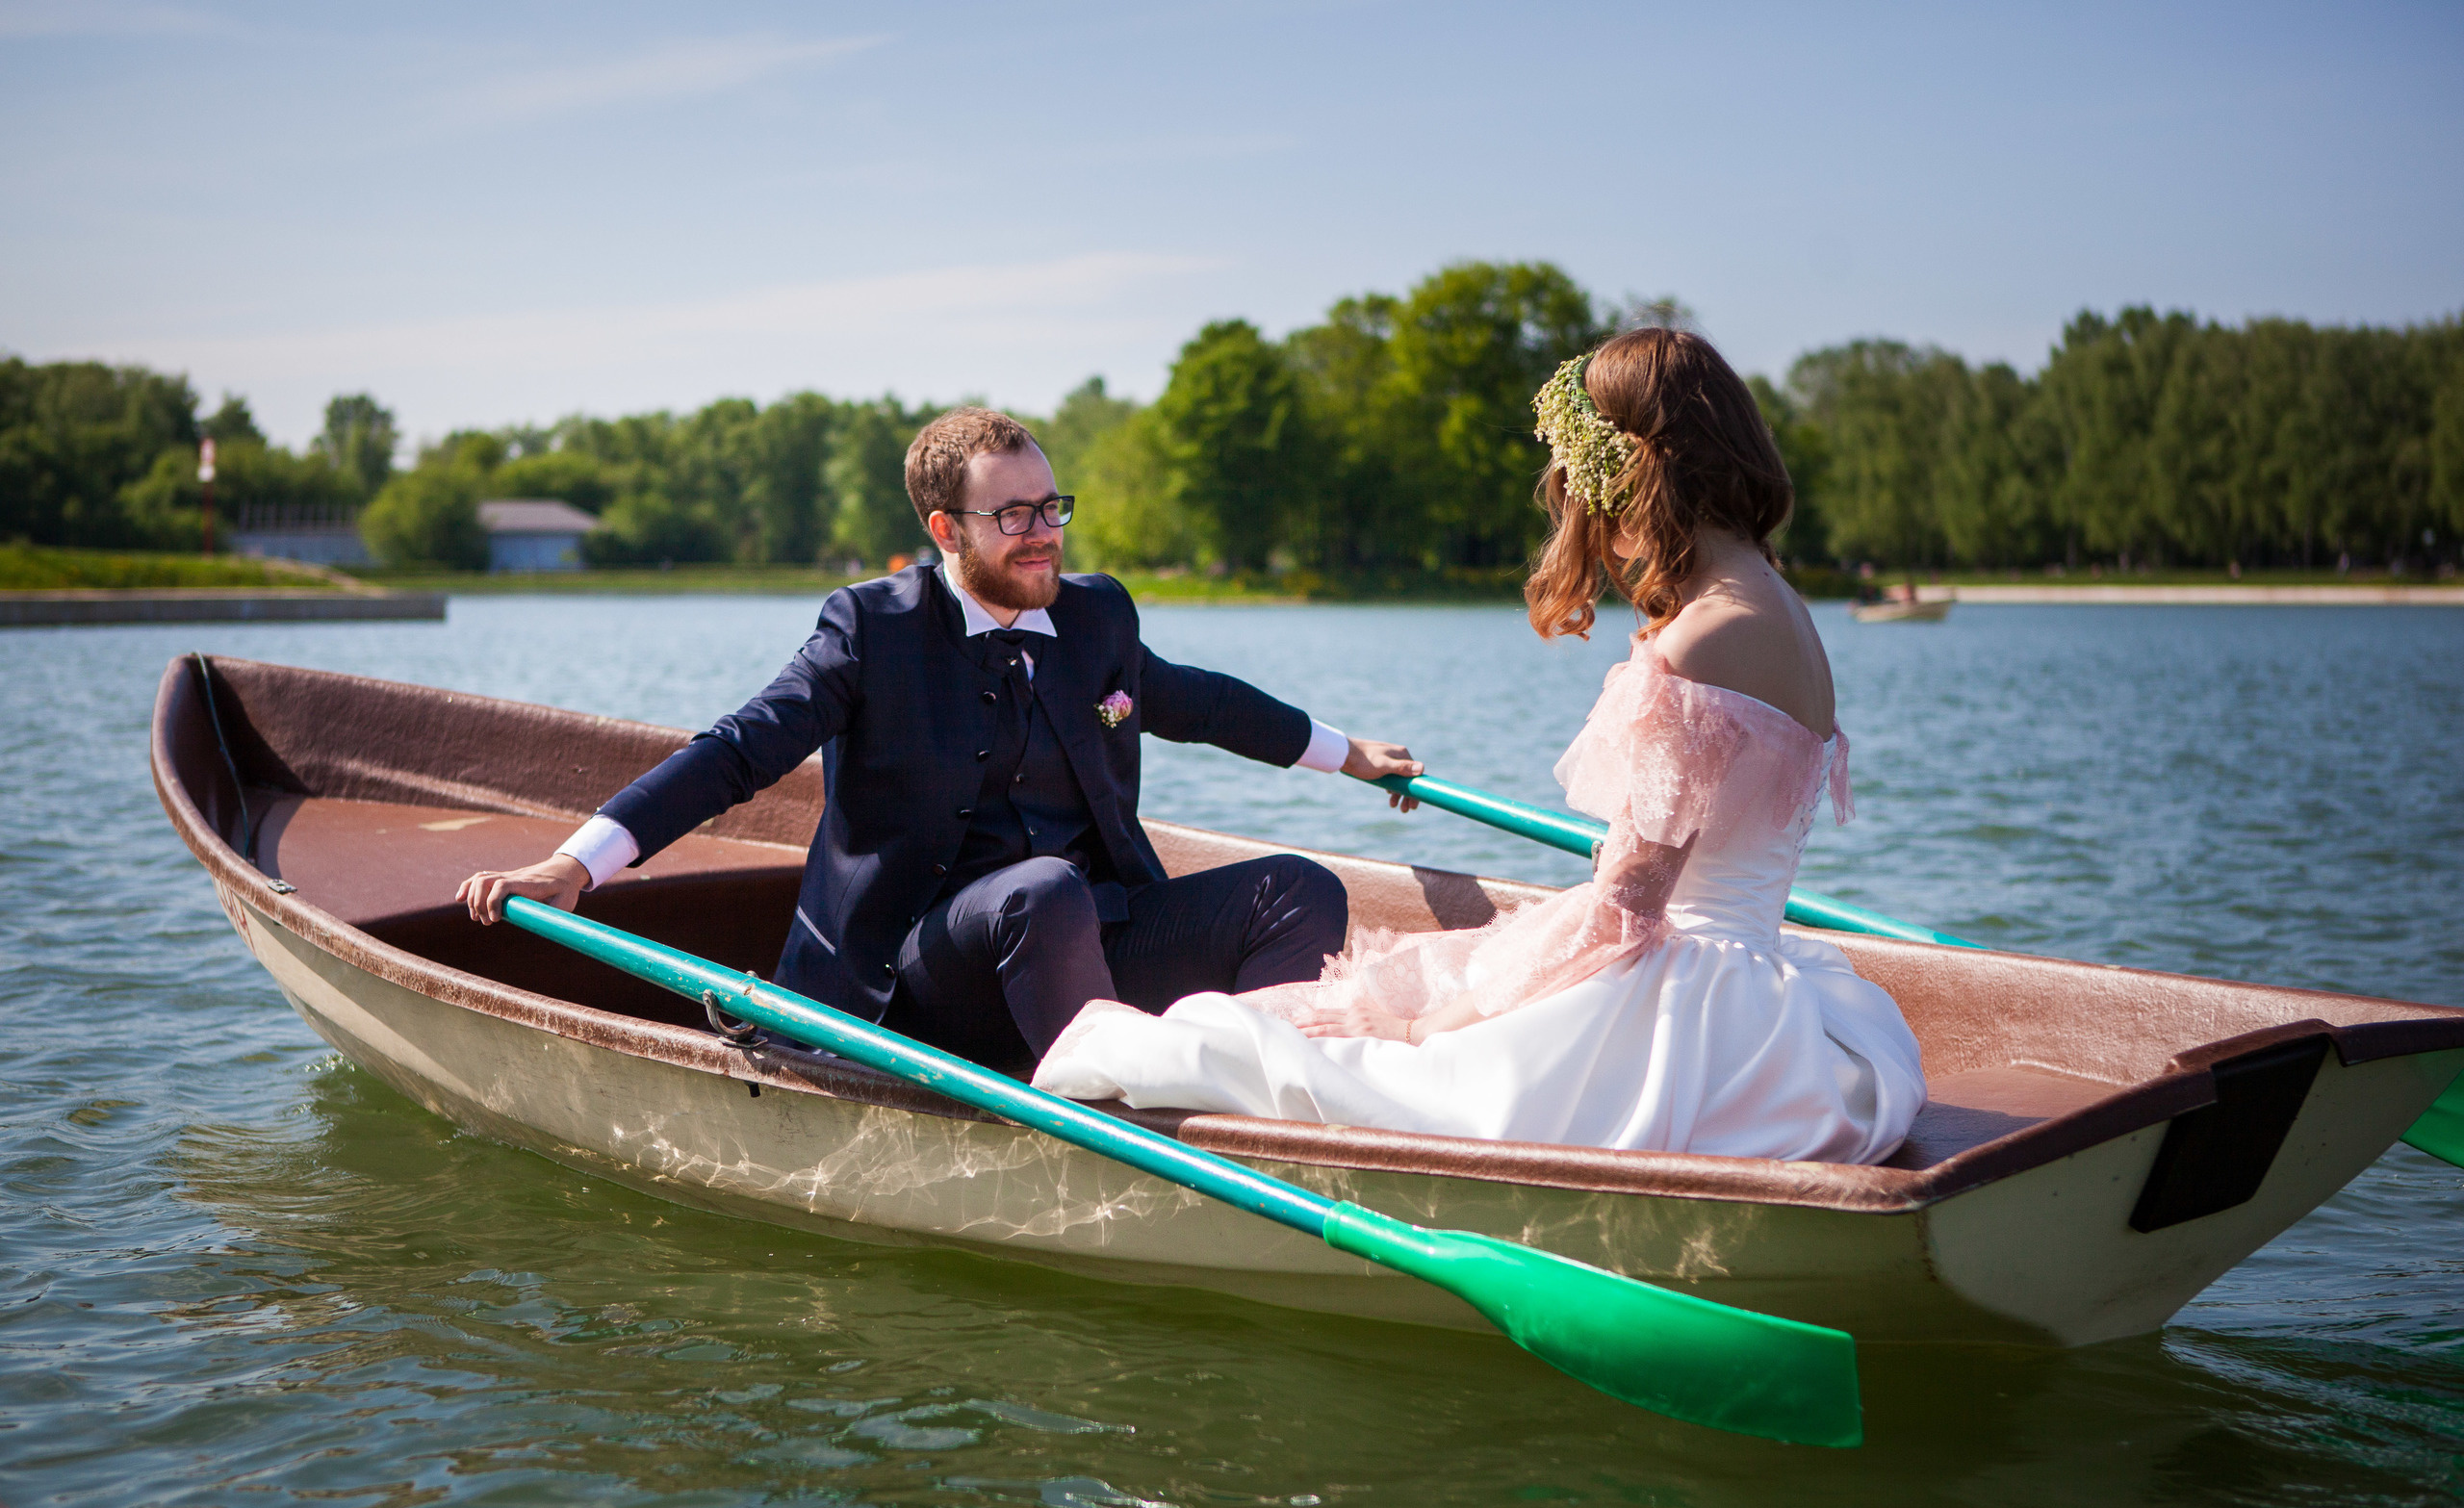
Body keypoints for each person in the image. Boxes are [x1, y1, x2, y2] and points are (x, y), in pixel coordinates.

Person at [1033, 330, 1928, 1164]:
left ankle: (1082, 1085)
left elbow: (1629, 905)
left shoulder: (1704, 634)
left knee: (1364, 1051)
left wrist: (1458, 1015)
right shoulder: (1783, 606)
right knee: (1380, 1013)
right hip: (1768, 990)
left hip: (1687, 1005)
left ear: (1627, 471)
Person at [457, 407, 1424, 1069]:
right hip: (913, 976)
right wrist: (573, 867)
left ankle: (1254, 1106)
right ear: (945, 529)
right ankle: (1100, 1108)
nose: (1044, 532)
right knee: (1040, 894)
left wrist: (1346, 752)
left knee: (1297, 888)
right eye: (1013, 515)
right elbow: (736, 751)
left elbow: (1195, 702)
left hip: (1086, 942)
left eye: (1052, 507)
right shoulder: (870, 630)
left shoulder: (1096, 618)